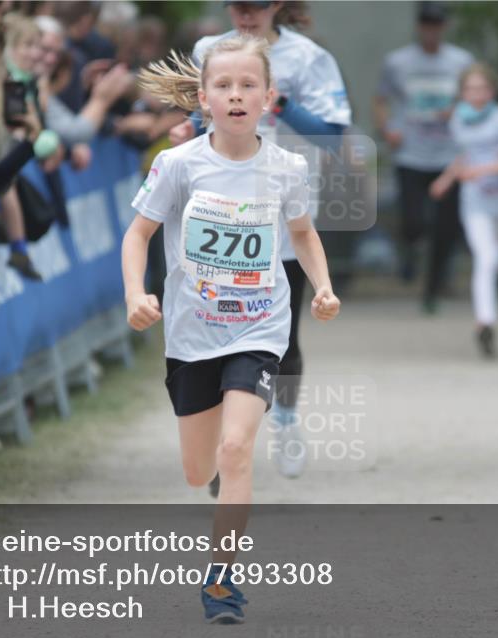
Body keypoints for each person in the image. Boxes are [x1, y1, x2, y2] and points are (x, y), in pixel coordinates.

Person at [125, 35, 340, 623]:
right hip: (193, 336)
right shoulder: (178, 164)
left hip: (258, 330)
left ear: (268, 98)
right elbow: (138, 234)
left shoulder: (285, 168)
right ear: (203, 98)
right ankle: (217, 470)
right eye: (224, 86)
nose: (236, 95)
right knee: (201, 471)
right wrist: (136, 293)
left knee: (237, 447)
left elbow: (301, 234)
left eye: (248, 85)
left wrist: (321, 285)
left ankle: (221, 583)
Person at [169, 0, 350, 483]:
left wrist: (279, 100)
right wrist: (185, 128)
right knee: (210, 329)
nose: (246, 15)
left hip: (278, 219)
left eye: (257, 6)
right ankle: (222, 448)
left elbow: (333, 136)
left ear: (277, 6)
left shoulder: (308, 58)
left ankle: (285, 420)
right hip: (217, 216)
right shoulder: (209, 49)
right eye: (238, 6)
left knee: (282, 342)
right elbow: (200, 114)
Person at [373, 0, 473, 312]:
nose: (432, 31)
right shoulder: (398, 62)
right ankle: (410, 249)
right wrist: (387, 129)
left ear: (444, 27)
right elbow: (380, 99)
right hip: (411, 155)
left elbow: (476, 98)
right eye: (427, 25)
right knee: (414, 221)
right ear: (419, 27)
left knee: (446, 228)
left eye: (437, 25)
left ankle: (432, 291)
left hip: (448, 157)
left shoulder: (461, 61)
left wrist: (457, 111)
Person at [430, 63, 498, 358]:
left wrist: (481, 170)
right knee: (486, 257)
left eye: (482, 88)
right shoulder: (459, 120)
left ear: (492, 91)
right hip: (476, 203)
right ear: (462, 93)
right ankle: (485, 322)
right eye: (470, 89)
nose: (476, 94)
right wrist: (447, 179)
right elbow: (465, 155)